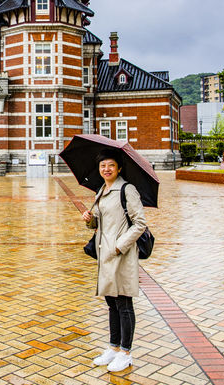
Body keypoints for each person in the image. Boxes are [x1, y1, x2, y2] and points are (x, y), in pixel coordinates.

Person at [81, 148, 147, 372]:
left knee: (124, 304)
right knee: (111, 303)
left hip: (120, 254)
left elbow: (140, 224)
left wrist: (120, 246)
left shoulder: (127, 190)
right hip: (105, 254)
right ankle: (113, 347)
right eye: (102, 166)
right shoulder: (101, 190)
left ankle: (126, 353)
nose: (106, 169)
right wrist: (90, 220)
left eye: (110, 165)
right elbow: (100, 222)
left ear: (118, 168)